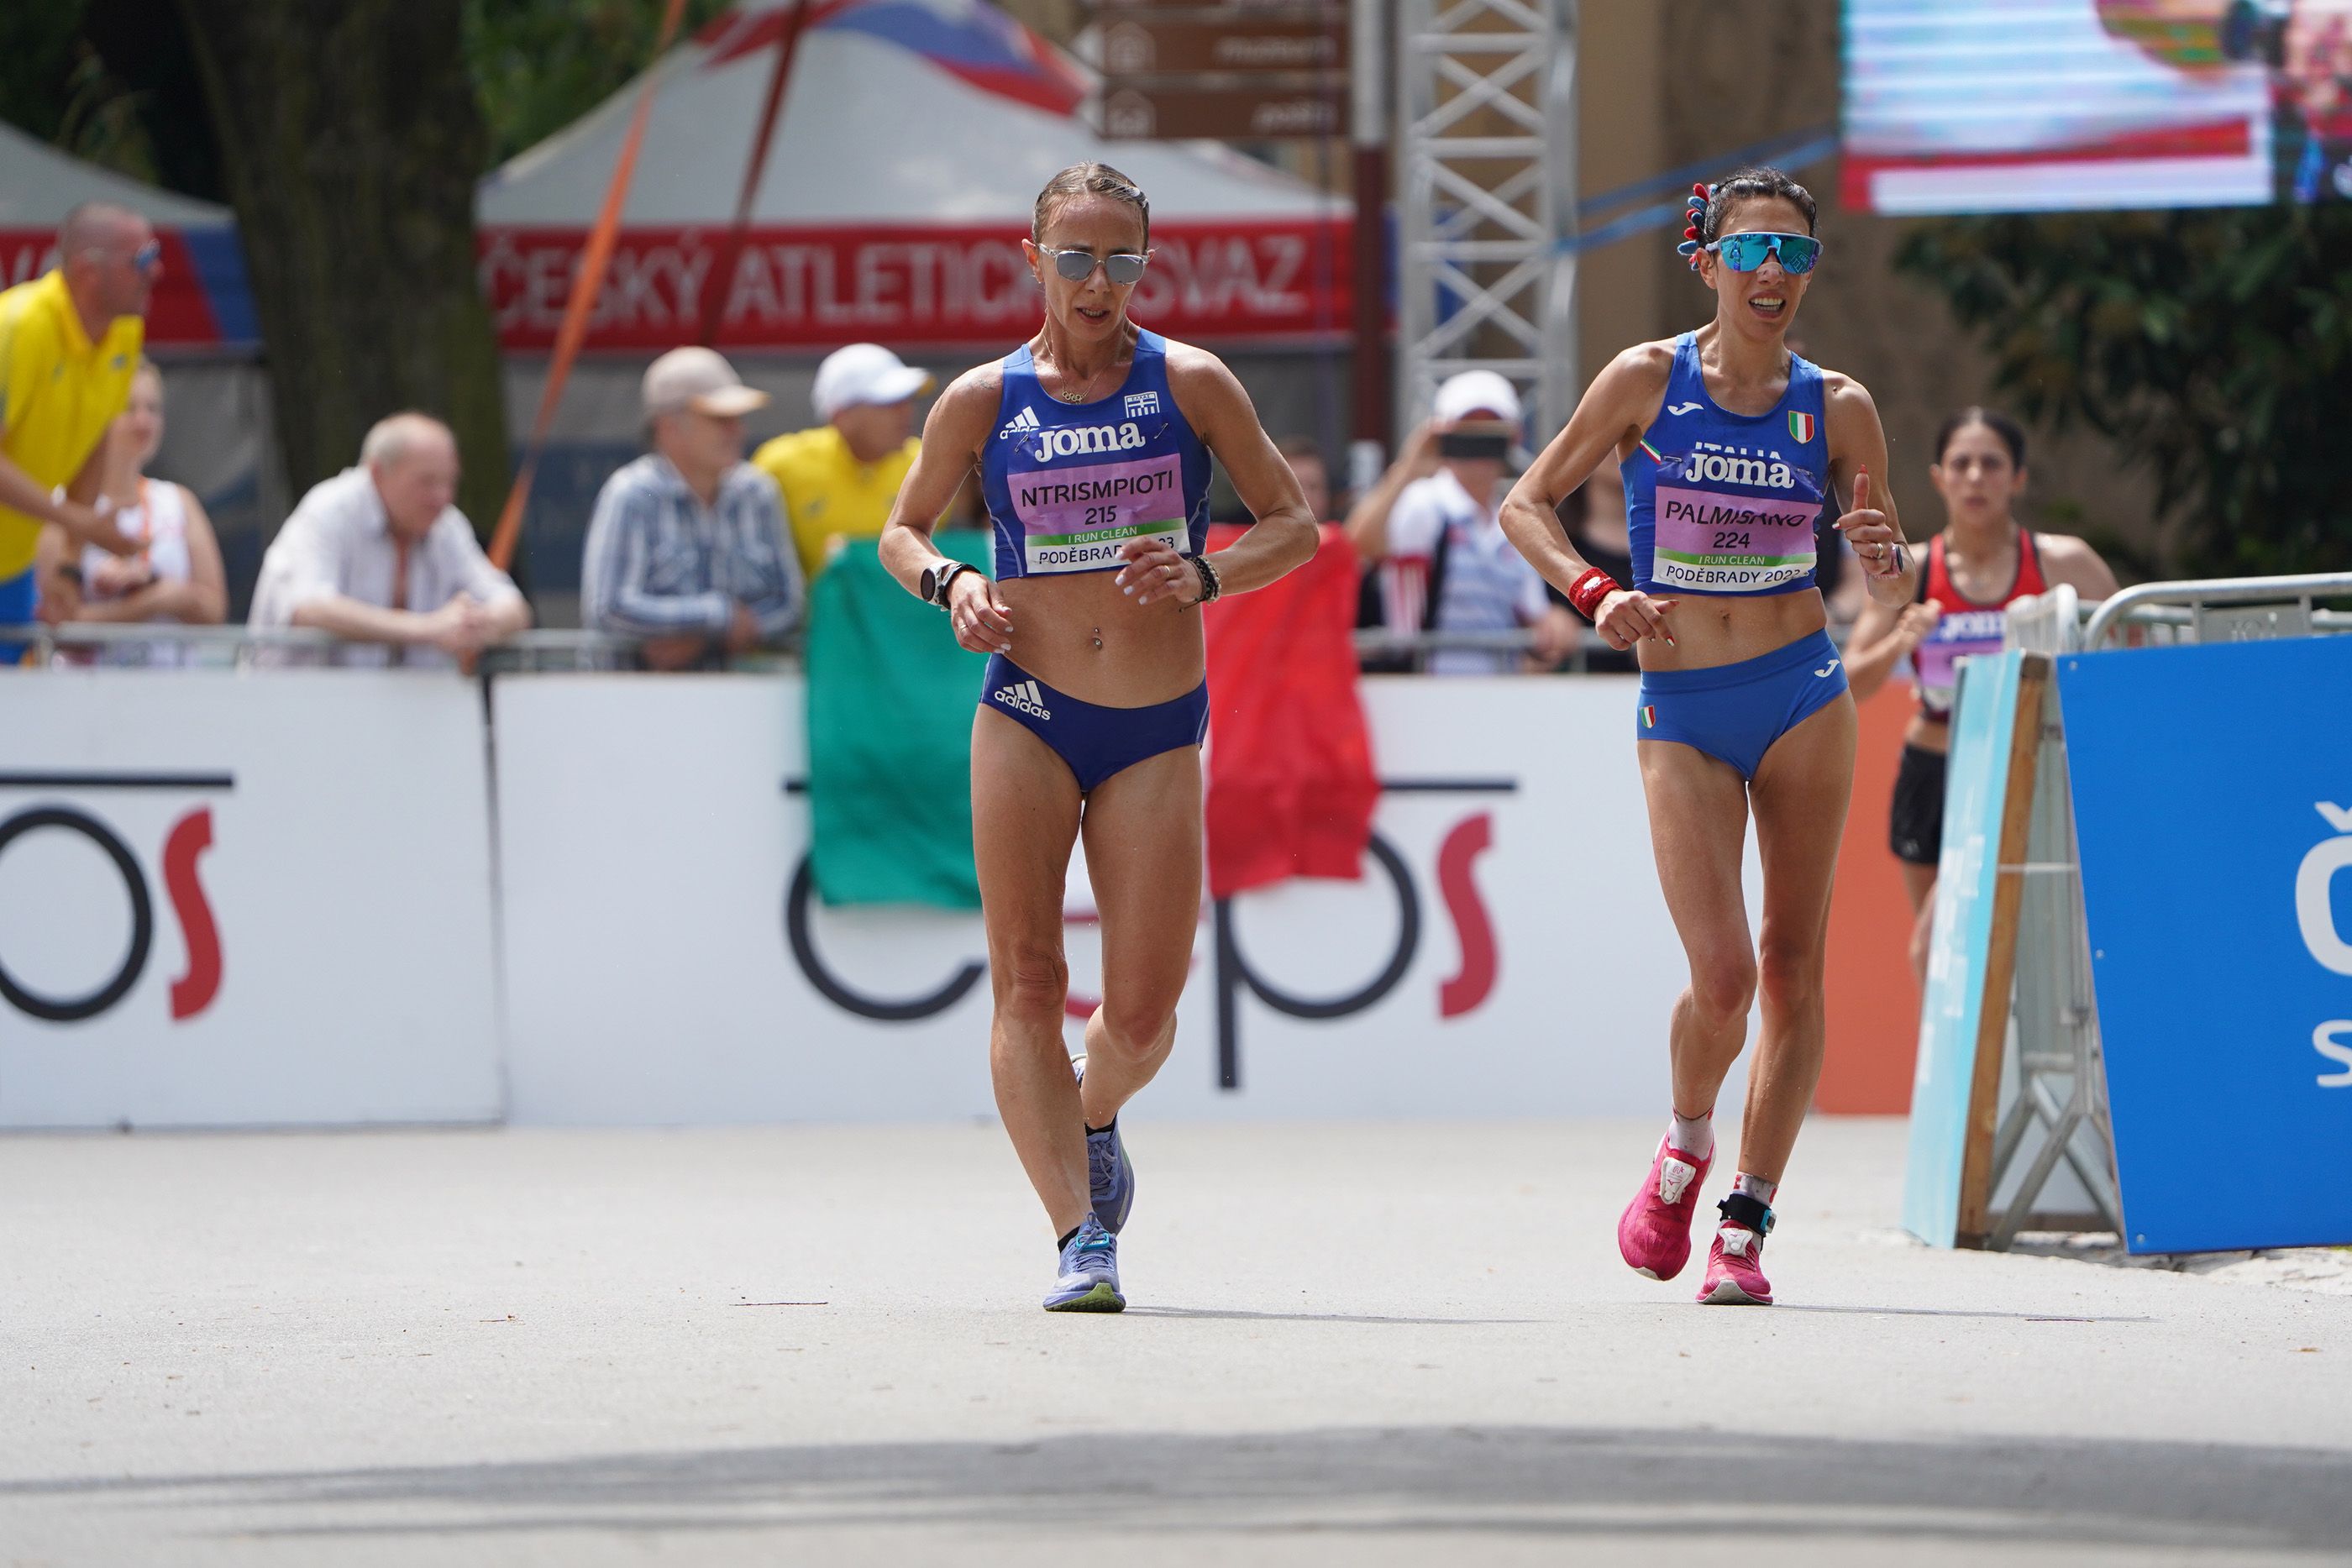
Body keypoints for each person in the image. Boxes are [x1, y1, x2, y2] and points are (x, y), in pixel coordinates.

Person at [877, 162, 1318, 1313]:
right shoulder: (983, 398)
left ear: (1146, 265)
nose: (1098, 280)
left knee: (1141, 1011)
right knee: (1027, 975)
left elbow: (1296, 525)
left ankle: (1094, 1107)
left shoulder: (1193, 382)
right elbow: (901, 529)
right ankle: (1081, 1236)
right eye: (1074, 256)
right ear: (1034, 259)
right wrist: (951, 585)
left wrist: (1209, 570)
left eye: (1122, 257)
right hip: (1025, 706)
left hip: (1157, 726)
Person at [1498, 168, 1914, 1306]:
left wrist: (1886, 563)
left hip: (1801, 690)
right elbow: (1523, 503)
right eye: (1750, 251)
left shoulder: (1839, 404)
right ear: (1709, 262)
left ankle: (1745, 1218)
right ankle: (1684, 1144)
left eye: (1793, 253)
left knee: (1792, 969)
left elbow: (1894, 577)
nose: (1772, 272)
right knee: (1722, 978)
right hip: (1682, 706)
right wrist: (1594, 591)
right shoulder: (1647, 377)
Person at [1844, 407, 2119, 983]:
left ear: (2018, 478)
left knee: (1966, 944)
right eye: (1961, 464)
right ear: (1939, 478)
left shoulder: (2060, 562)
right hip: (1934, 772)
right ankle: (1960, 1072)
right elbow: (1851, 683)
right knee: (1948, 963)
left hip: (2026, 770)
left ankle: (1987, 1071)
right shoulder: (1910, 572)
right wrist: (1901, 640)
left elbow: (2127, 648)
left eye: (1991, 463)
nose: (1975, 477)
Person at [0, 202, 158, 662]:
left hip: (11, 568)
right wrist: (78, 523)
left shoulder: (125, 331)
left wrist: (68, 566)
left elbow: (95, 441)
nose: (158, 271)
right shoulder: (20, 326)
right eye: (143, 260)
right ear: (90, 272)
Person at [248, 413, 531, 668]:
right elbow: (309, 607)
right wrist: (428, 629)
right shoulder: (329, 510)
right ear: (377, 473)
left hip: (399, 717)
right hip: (295, 713)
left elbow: (512, 604)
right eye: (427, 482)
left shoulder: (447, 525)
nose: (442, 497)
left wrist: (480, 624)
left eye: (450, 482)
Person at [582, 347, 802, 671]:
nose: (737, 430)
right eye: (719, 419)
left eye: (737, 418)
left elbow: (790, 603)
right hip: (636, 707)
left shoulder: (758, 492)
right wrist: (720, 617)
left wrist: (705, 636)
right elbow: (610, 607)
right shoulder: (631, 493)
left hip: (742, 705)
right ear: (668, 428)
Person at [1345, 371, 1578, 674]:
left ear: (1514, 438)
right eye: (1467, 432)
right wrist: (1408, 468)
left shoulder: (1511, 521)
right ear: (1442, 438)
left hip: (1494, 695)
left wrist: (1555, 622)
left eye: (1491, 433)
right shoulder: (1423, 502)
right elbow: (1354, 551)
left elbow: (1534, 613)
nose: (1479, 446)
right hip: (1422, 688)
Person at [34, 359, 227, 664]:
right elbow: (56, 623)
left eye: (153, 409)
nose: (143, 421)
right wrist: (154, 601)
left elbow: (214, 611)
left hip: (173, 693)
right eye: (129, 407)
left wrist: (158, 588)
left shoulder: (178, 501)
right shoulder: (62, 506)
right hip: (87, 698)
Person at [753, 342, 932, 582]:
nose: (906, 412)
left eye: (907, 399)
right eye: (888, 402)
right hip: (816, 618)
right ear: (841, 416)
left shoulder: (929, 462)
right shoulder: (780, 464)